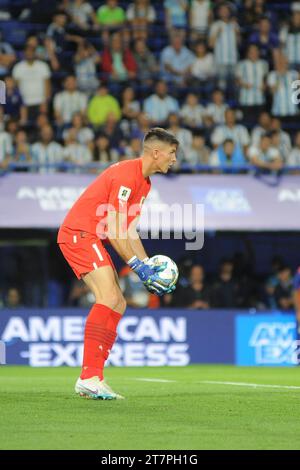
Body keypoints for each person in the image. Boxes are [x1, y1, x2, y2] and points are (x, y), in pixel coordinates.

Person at [57, 128, 178, 399]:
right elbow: (114, 230)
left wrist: (148, 267)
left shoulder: (145, 184)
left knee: (119, 302)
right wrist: (138, 266)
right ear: (156, 152)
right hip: (80, 233)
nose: (173, 159)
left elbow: (129, 230)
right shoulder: (127, 174)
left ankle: (94, 377)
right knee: (108, 296)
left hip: (89, 236)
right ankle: (89, 376)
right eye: (171, 153)